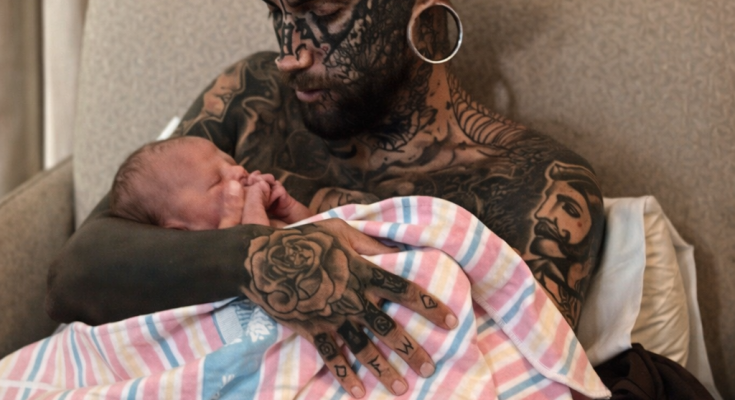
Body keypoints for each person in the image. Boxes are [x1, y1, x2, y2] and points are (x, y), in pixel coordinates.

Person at [45, 0, 605, 397]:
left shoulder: (536, 187)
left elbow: (513, 377)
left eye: (326, 12)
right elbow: (75, 274)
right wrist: (256, 257)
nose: (290, 54)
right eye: (278, 12)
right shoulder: (254, 98)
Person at [109, 136, 313, 230]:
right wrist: (254, 206)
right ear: (180, 231)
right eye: (217, 181)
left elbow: (319, 229)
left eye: (231, 162)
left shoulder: (259, 214)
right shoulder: (216, 253)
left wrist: (289, 209)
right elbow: (257, 252)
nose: (239, 170)